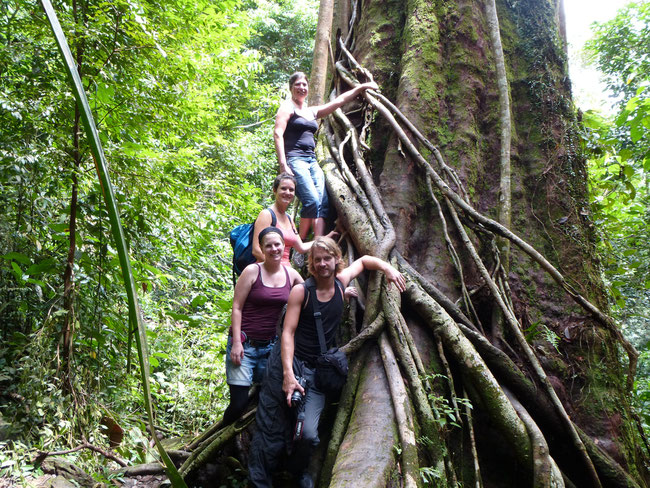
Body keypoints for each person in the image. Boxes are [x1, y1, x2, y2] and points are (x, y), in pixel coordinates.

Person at [248, 237, 406, 488]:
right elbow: (287, 332)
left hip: (317, 371)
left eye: (327, 258)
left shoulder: (342, 284)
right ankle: (260, 482)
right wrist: (288, 375)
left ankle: (297, 471)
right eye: (317, 259)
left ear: (336, 260)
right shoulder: (302, 291)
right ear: (311, 263)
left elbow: (364, 261)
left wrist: (388, 268)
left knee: (309, 436)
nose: (323, 264)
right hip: (289, 364)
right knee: (271, 429)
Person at [274, 72, 378, 240]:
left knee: (323, 203)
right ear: (291, 88)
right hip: (295, 159)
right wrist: (283, 164)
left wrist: (361, 87)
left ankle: (318, 242)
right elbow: (278, 133)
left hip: (311, 160)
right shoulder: (287, 108)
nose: (302, 87)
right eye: (298, 85)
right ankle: (297, 244)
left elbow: (338, 102)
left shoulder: (311, 111)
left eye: (304, 85)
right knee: (311, 201)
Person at [222, 227, 304, 426]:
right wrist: (236, 343)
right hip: (244, 345)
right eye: (269, 245)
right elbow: (237, 307)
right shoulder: (252, 271)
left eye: (277, 244)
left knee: (266, 397)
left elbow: (310, 295)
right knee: (239, 402)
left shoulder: (291, 275)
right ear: (261, 248)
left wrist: (341, 291)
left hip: (270, 348)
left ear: (284, 246)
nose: (274, 249)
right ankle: (219, 438)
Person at [251, 173, 313, 267]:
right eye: (283, 188)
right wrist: (278, 269)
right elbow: (256, 250)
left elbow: (301, 247)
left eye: (291, 190)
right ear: (275, 190)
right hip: (268, 271)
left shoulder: (289, 218)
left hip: (286, 271)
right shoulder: (267, 215)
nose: (287, 192)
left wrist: (325, 238)